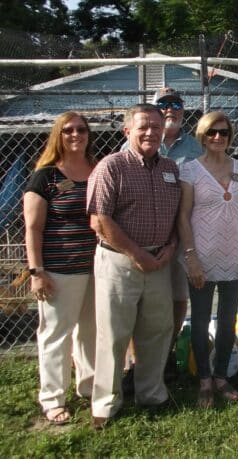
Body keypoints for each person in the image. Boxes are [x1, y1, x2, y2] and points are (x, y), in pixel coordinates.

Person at [87, 103, 180, 429]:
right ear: (127, 131)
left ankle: (152, 394)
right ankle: (106, 404)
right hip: (120, 262)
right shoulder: (111, 167)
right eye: (143, 127)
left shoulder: (171, 168)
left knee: (157, 332)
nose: (151, 132)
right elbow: (100, 220)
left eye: (156, 126)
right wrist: (137, 254)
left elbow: (176, 217)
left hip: (159, 263)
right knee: (113, 333)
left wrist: (169, 248)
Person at [121, 87, 202, 383]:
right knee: (141, 303)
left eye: (176, 104)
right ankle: (135, 362)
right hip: (142, 239)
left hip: (181, 236)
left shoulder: (195, 148)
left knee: (178, 298)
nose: (171, 110)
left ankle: (164, 354)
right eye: (163, 104)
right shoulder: (129, 148)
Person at [178, 111, 238, 408]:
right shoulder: (190, 171)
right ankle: (205, 381)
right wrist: (191, 257)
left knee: (227, 321)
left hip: (235, 257)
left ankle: (222, 377)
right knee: (199, 321)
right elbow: (183, 217)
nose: (218, 138)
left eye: (223, 133)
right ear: (202, 135)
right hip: (201, 257)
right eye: (212, 132)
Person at [23, 112, 97, 425]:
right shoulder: (45, 176)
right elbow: (33, 228)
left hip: (96, 268)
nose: (76, 135)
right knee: (56, 335)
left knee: (91, 332)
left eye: (81, 129)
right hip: (59, 271)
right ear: (59, 135)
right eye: (68, 130)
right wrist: (36, 272)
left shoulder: (96, 169)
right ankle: (52, 398)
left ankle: (89, 385)